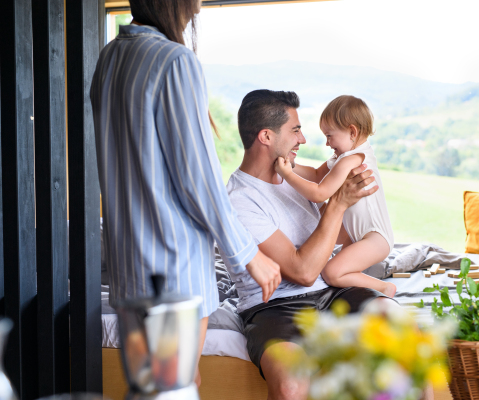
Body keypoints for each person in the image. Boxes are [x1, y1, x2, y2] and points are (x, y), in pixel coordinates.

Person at [89, 0, 281, 387]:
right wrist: (247, 254)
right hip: (174, 267)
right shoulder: (174, 61)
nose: (198, 4)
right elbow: (199, 178)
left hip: (130, 264)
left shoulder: (109, 58)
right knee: (172, 386)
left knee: (158, 385)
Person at [220, 89, 399, 400]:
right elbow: (302, 271)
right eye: (295, 130)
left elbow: (326, 236)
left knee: (403, 336)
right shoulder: (240, 199)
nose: (303, 140)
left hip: (333, 293)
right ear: (266, 136)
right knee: (292, 384)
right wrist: (339, 204)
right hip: (275, 308)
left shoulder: (292, 180)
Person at [274, 95, 396, 297]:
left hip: (375, 237)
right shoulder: (342, 157)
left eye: (330, 136)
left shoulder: (354, 159)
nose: (327, 143)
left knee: (331, 272)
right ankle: (359, 284)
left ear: (352, 132)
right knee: (334, 267)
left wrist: (285, 174)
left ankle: (384, 288)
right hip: (358, 235)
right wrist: (291, 165)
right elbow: (315, 174)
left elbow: (319, 193)